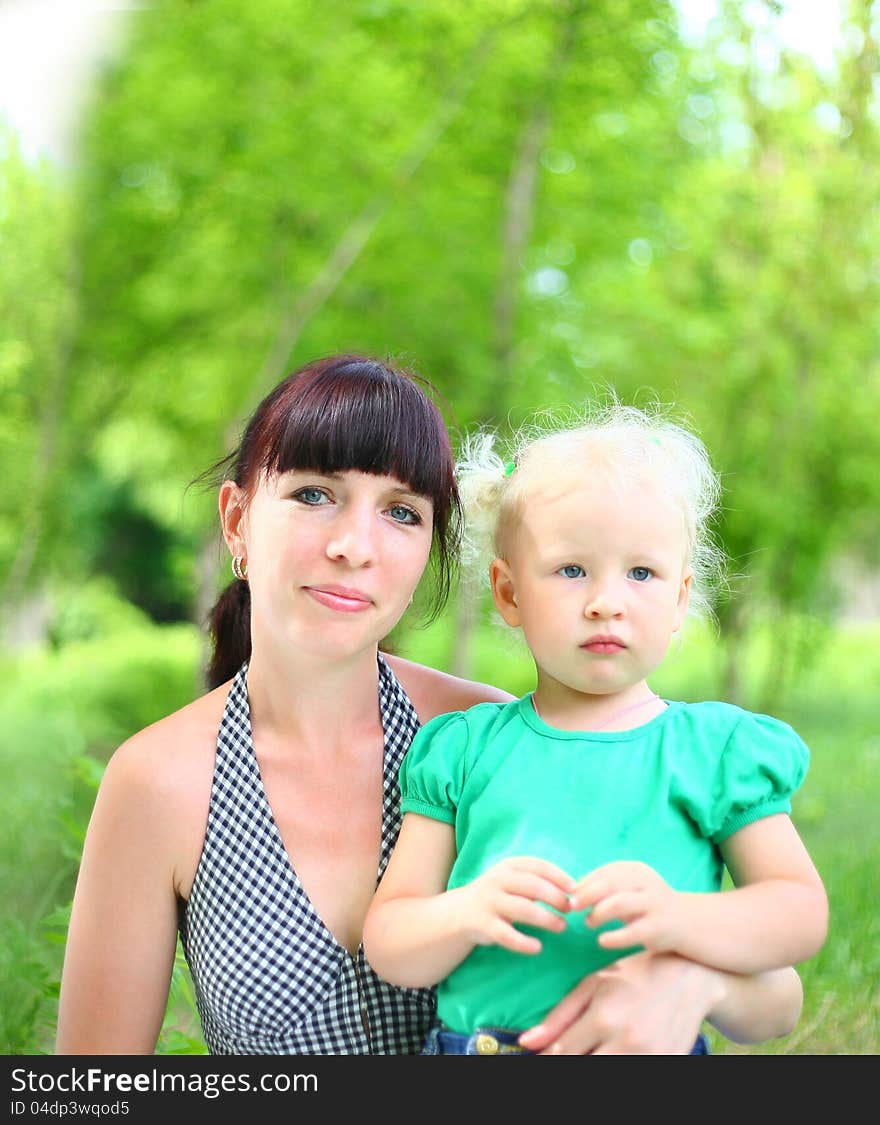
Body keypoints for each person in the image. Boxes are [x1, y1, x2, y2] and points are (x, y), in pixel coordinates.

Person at [56, 359, 807, 1056]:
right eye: (314, 493)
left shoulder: (487, 737)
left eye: (402, 512)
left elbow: (777, 988)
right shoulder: (160, 781)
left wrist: (692, 976)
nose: (355, 545)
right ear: (236, 521)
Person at [362, 401, 828, 1055]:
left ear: (678, 598)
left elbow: (799, 913)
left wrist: (680, 916)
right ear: (510, 593)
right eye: (572, 569)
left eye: (641, 573)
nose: (607, 600)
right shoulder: (465, 751)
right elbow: (391, 943)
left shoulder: (713, 752)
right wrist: (465, 910)